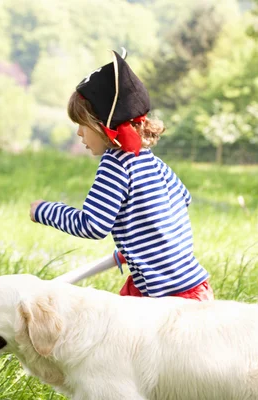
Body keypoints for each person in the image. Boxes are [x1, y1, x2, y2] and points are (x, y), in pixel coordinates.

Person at [30, 50, 213, 301]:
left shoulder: (115, 166)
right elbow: (183, 199)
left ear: (103, 126)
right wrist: (142, 245)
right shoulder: (151, 162)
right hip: (193, 287)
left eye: (82, 125)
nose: (79, 134)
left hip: (165, 299)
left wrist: (44, 211)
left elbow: (92, 225)